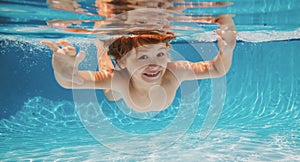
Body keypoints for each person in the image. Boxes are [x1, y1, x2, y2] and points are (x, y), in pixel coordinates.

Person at [41, 15, 236, 112]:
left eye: (160, 54)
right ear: (123, 62)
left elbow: (217, 69)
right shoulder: (119, 79)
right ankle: (102, 46)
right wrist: (65, 68)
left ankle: (105, 44)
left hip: (124, 78)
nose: (154, 64)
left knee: (112, 94)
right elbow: (72, 81)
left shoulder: (177, 71)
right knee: (111, 94)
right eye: (143, 56)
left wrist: (227, 50)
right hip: (119, 81)